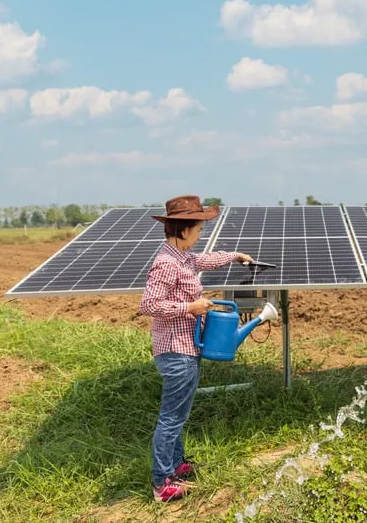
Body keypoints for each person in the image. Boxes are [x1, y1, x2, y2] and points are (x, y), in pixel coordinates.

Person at [139, 195, 253, 502]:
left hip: (188, 346)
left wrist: (234, 255)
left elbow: (206, 259)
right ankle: (162, 483)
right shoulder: (165, 263)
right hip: (175, 350)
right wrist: (190, 307)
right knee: (172, 417)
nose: (201, 233)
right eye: (199, 228)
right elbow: (149, 304)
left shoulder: (183, 257)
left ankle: (176, 465)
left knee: (180, 413)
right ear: (183, 229)